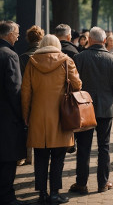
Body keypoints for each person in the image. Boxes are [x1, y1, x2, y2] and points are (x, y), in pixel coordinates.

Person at [22, 34, 82, 204]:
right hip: (61, 117)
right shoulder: (66, 60)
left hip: (38, 117)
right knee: (58, 158)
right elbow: (77, 85)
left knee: (40, 158)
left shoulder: (32, 62)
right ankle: (54, 193)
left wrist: (25, 115)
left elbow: (25, 93)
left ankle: (42, 193)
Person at [70, 27, 113, 194]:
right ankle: (102, 182)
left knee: (83, 147)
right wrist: (112, 101)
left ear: (90, 40)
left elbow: (73, 82)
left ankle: (81, 183)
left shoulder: (79, 58)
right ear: (104, 40)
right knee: (104, 147)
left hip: (83, 108)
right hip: (105, 108)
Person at [0, 21, 26, 205]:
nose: (18, 36)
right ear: (9, 34)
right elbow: (15, 89)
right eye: (16, 33)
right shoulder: (10, 56)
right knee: (8, 160)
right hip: (7, 117)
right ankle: (7, 197)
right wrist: (22, 115)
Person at [18, 25, 45, 166]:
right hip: (43, 95)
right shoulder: (45, 56)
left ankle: (27, 156)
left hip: (28, 96)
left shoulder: (22, 58)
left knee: (27, 125)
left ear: (28, 39)